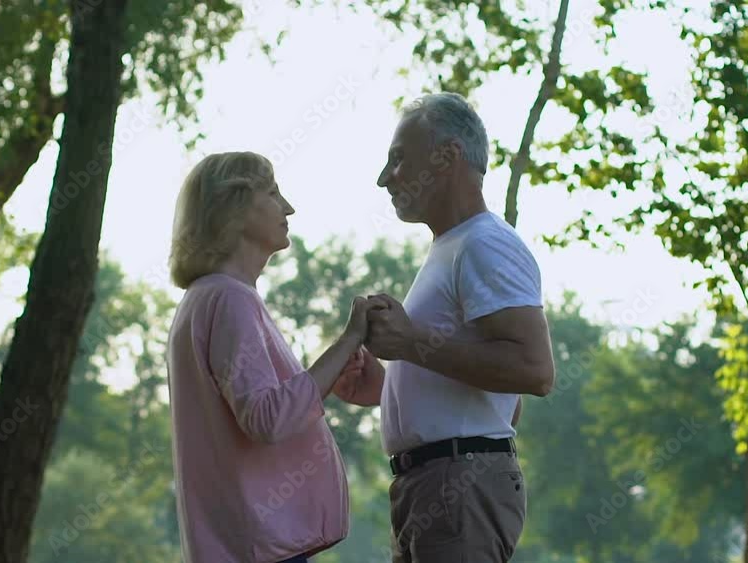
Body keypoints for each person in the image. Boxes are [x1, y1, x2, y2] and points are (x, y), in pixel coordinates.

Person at [333, 93, 556, 563]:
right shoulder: (452, 248)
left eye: (397, 160)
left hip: (458, 487)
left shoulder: (486, 245)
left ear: (449, 155)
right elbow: (491, 399)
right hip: (434, 486)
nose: (383, 179)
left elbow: (534, 371)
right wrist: (384, 384)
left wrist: (411, 344)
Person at [165, 151, 371, 563]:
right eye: (273, 193)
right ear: (235, 206)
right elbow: (266, 417)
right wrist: (350, 339)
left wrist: (333, 368)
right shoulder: (229, 299)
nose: (288, 207)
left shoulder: (207, 298)